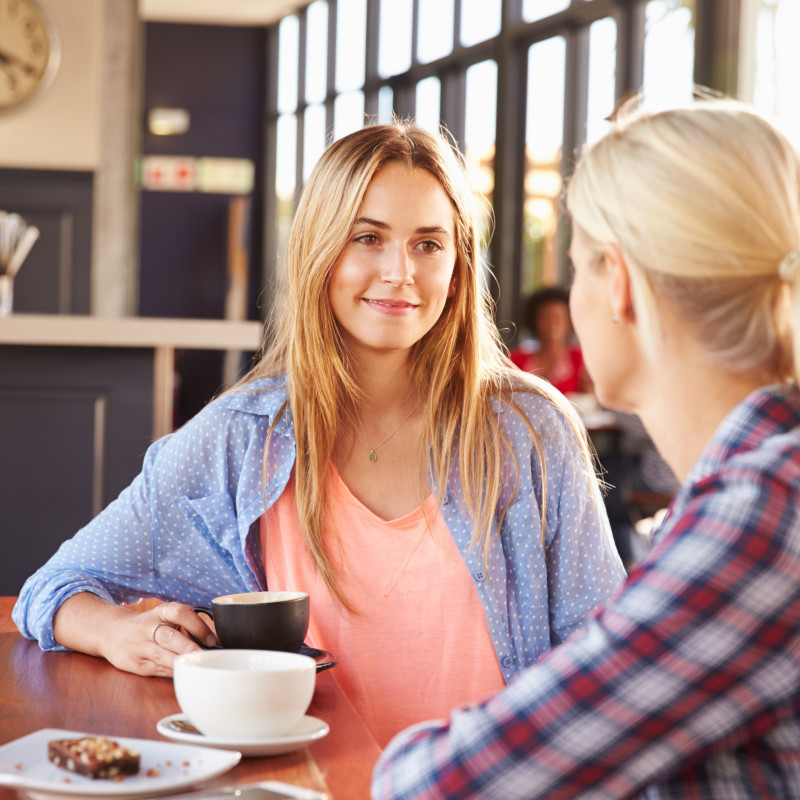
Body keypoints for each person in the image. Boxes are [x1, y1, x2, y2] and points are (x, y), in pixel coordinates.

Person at [13, 121, 624, 747]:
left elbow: (606, 660)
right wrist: (118, 633)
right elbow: (52, 589)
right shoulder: (242, 437)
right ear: (320, 250)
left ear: (460, 265)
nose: (399, 273)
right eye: (369, 237)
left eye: (428, 244)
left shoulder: (529, 430)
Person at [372, 100, 800, 797]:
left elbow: (441, 786)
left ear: (620, 283)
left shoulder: (762, 517)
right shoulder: (761, 484)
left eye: (577, 271)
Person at [509, 285, 592, 395]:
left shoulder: (580, 359)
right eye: (546, 317)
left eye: (559, 317)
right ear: (534, 320)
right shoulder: (515, 361)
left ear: (570, 321)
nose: (553, 324)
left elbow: (588, 400)